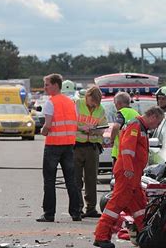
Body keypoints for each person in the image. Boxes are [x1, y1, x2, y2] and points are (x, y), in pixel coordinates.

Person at [93, 106, 165, 248]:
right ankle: (101, 236)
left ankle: (145, 233)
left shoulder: (140, 127)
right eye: (158, 123)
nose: (156, 126)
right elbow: (127, 148)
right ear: (153, 117)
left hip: (133, 174)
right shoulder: (136, 125)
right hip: (128, 173)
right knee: (116, 204)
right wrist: (128, 168)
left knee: (139, 204)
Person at [37, 73, 81, 222]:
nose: (45, 88)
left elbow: (47, 125)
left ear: (56, 85)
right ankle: (76, 212)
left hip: (53, 145)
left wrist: (42, 131)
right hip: (69, 145)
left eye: (47, 84)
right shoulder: (71, 102)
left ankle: (49, 213)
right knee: (71, 180)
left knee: (49, 181)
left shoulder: (51, 102)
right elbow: (75, 122)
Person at [74, 86, 108, 218]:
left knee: (91, 179)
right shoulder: (78, 104)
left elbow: (103, 127)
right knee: (76, 179)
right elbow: (73, 122)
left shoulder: (100, 109)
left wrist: (95, 130)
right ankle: (77, 208)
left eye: (96, 103)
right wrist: (84, 128)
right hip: (76, 146)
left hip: (92, 147)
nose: (94, 105)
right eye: (92, 101)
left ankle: (91, 208)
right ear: (87, 96)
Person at [110, 92, 139, 167]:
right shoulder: (136, 114)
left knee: (119, 176)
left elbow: (116, 127)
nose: (115, 106)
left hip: (121, 154)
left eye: (115, 104)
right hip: (134, 152)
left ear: (119, 103)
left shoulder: (122, 112)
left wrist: (112, 139)